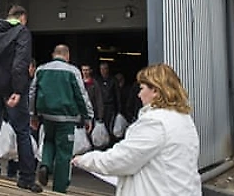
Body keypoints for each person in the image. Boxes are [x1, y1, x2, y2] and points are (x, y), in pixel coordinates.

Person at [72, 63, 202, 196]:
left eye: (142, 88)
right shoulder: (184, 119)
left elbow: (122, 159)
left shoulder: (154, 122)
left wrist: (84, 160)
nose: (139, 95)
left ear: (156, 91)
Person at [0, 5, 42, 193]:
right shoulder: (22, 32)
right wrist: (18, 90)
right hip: (12, 90)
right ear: (23, 18)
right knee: (22, 132)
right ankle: (26, 178)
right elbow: (21, 63)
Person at [29, 45, 93, 193]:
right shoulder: (72, 71)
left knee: (48, 141)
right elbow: (81, 95)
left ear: (53, 55)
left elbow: (33, 92)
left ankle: (45, 164)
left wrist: (33, 114)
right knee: (64, 153)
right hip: (67, 117)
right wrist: (88, 116)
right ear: (67, 55)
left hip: (47, 116)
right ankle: (59, 188)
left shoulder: (41, 70)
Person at [98, 62, 120, 138]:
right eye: (101, 69)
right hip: (100, 107)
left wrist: (119, 111)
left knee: (110, 126)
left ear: (108, 70)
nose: (103, 71)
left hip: (110, 107)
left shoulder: (113, 80)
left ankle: (109, 142)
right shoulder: (98, 81)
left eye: (105, 69)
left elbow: (118, 96)